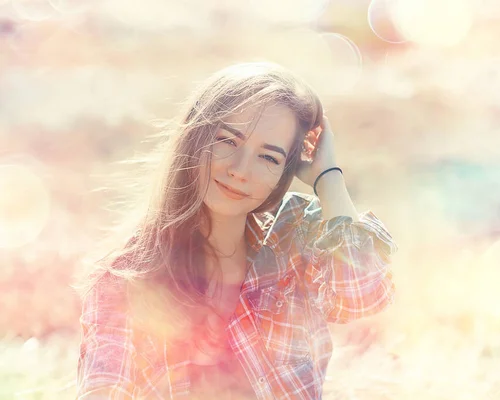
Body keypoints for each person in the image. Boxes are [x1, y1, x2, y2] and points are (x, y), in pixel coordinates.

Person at [75, 62, 398, 399]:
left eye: (269, 158)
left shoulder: (295, 238)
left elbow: (363, 295)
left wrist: (328, 176)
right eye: (228, 141)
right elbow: (106, 388)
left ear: (286, 172)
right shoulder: (125, 278)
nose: (240, 170)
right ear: (194, 137)